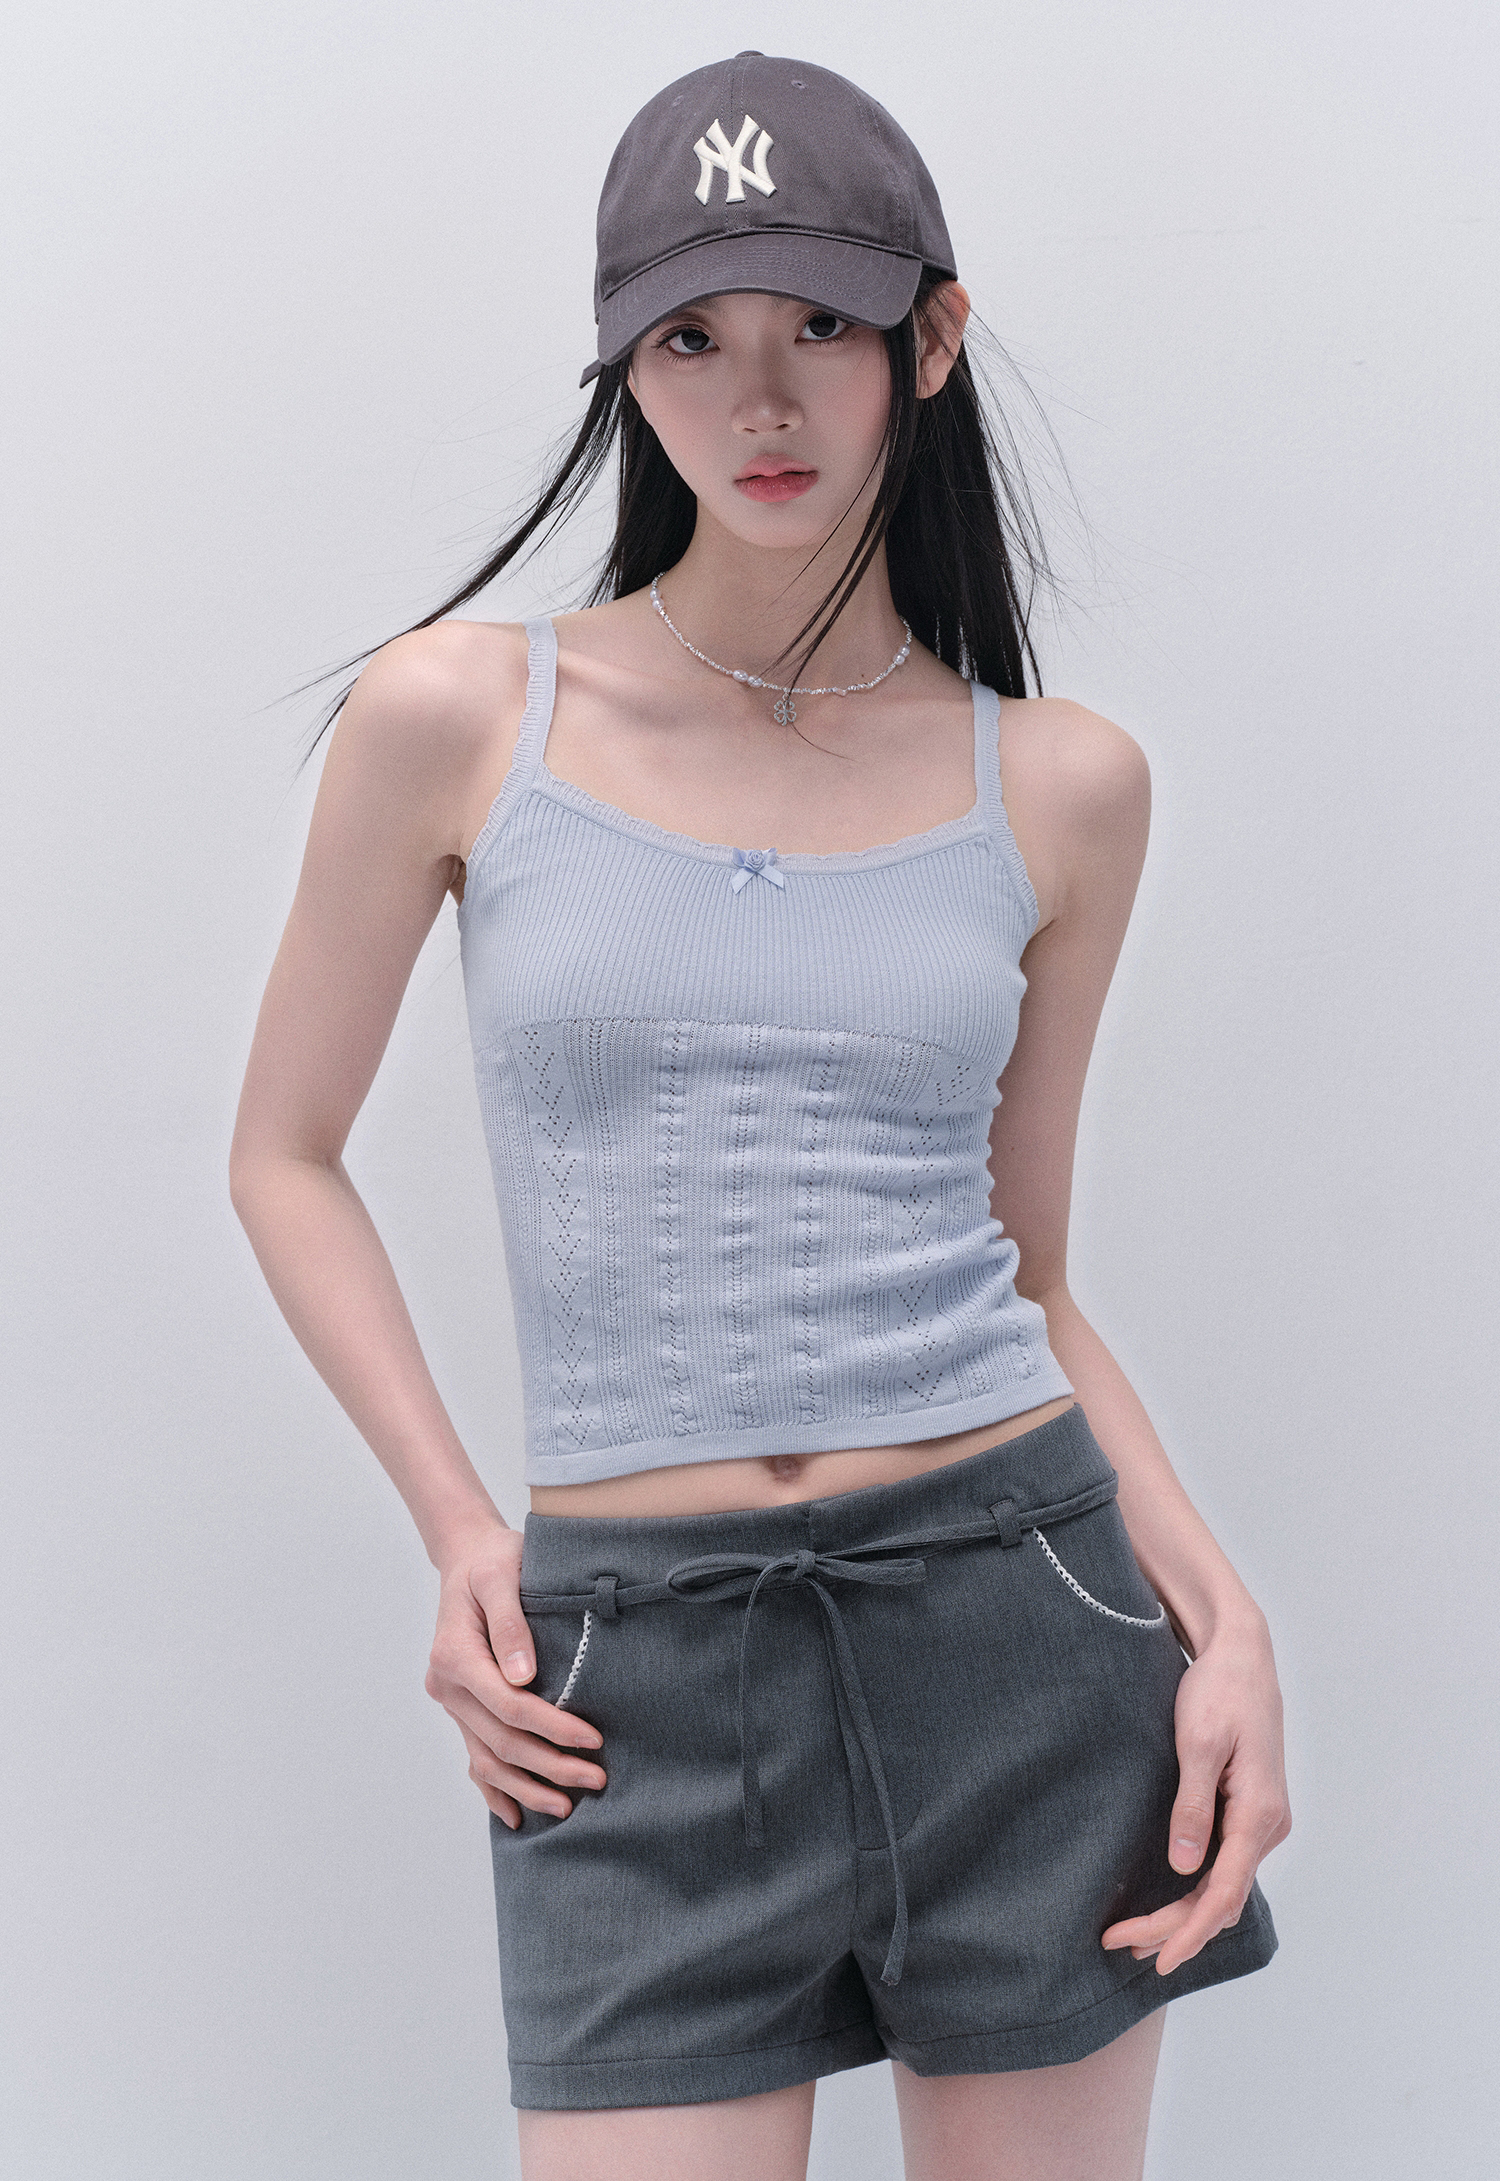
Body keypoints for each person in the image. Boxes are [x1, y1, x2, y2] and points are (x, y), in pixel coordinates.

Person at [229, 50, 1288, 2181]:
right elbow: (284, 1152)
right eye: (691, 341)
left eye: (821, 322)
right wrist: (463, 1530)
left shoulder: (1058, 783)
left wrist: (1226, 1615)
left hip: (1021, 1628)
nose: (762, 399)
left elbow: (1029, 1266)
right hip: (632, 1668)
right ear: (624, 369)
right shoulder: (462, 715)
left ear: (933, 338)